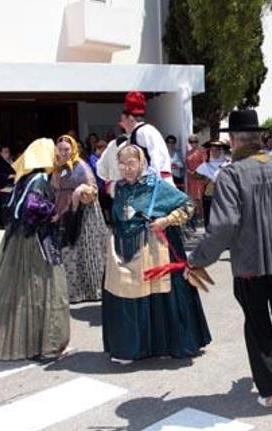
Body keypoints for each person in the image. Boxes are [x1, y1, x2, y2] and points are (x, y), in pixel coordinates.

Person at [185, 109, 272, 407]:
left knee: (258, 325)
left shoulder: (231, 175)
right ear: (259, 139)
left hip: (250, 265)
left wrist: (198, 258)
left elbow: (223, 225)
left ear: (233, 140)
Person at [102, 144, 211, 364]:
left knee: (158, 298)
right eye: (122, 164)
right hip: (125, 249)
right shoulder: (120, 188)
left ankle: (163, 344)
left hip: (154, 249)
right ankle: (131, 347)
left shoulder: (156, 186)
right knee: (127, 294)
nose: (126, 169)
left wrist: (167, 220)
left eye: (131, 163)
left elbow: (188, 205)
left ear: (142, 163)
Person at [0, 138, 72, 361]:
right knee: (47, 289)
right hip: (36, 241)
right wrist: (53, 211)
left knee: (24, 292)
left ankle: (30, 343)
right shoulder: (38, 179)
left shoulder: (25, 178)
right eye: (53, 153)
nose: (56, 157)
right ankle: (50, 345)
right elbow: (32, 207)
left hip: (20, 239)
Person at [51, 134, 109, 303]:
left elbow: (93, 188)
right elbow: (55, 189)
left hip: (85, 213)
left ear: (74, 149)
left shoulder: (81, 166)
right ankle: (73, 292)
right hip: (64, 212)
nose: (64, 152)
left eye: (67, 149)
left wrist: (80, 190)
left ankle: (91, 291)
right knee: (68, 252)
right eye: (60, 149)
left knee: (86, 252)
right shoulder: (57, 167)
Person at [117, 91, 173, 181]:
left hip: (157, 186)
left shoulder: (144, 132)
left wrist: (149, 181)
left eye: (123, 119)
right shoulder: (141, 132)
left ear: (131, 118)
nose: (122, 124)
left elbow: (157, 158)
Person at [195, 139, 232, 227]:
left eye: (217, 150)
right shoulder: (206, 165)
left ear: (222, 150)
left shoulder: (228, 164)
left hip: (224, 195)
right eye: (213, 150)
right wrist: (205, 178)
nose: (215, 152)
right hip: (209, 195)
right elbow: (195, 175)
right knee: (209, 218)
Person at [184, 134, 208, 226]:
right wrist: (189, 171)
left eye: (195, 141)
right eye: (191, 142)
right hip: (191, 178)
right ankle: (197, 217)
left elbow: (204, 163)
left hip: (200, 177)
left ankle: (202, 217)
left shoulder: (202, 151)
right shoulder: (188, 152)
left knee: (200, 198)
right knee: (194, 198)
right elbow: (186, 163)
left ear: (198, 142)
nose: (193, 143)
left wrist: (197, 172)